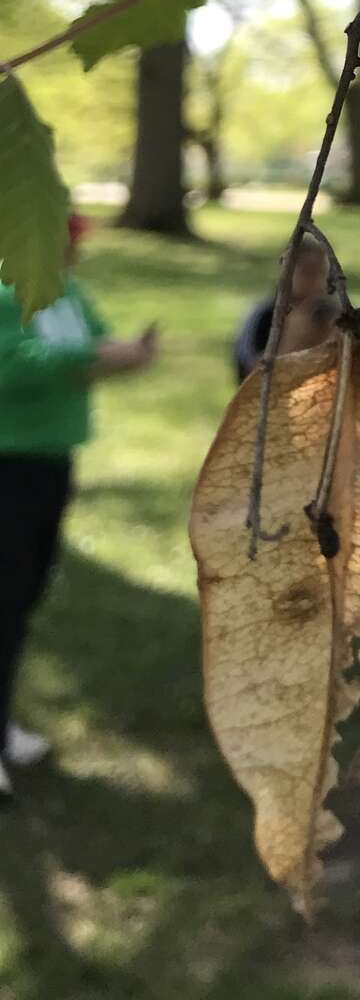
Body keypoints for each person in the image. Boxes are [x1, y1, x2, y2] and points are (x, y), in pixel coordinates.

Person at [0, 213, 157, 801]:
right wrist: (90, 353)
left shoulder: (69, 294)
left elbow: (86, 356)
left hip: (52, 461)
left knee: (23, 598)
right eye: (67, 243)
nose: (75, 254)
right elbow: (11, 367)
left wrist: (126, 358)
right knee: (3, 598)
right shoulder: (5, 294)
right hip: (6, 464)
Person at [231, 232, 341, 384]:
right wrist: (291, 340)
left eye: (322, 274)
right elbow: (250, 378)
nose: (317, 283)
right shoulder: (264, 315)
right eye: (307, 274)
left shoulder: (339, 315)